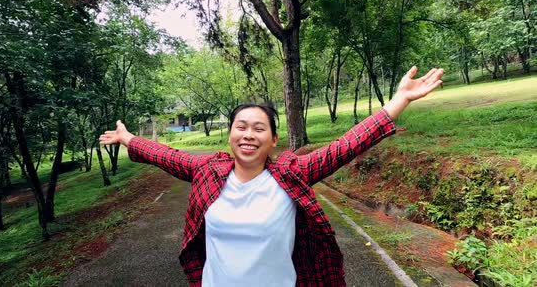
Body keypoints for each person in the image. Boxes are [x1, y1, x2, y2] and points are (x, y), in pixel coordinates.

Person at [99, 66, 444, 287]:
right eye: (241, 127)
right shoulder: (208, 172)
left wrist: (398, 101)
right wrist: (129, 139)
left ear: (273, 140)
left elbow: (345, 146)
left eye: (259, 128)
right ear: (231, 135)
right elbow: (168, 156)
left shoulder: (291, 174)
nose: (249, 135)